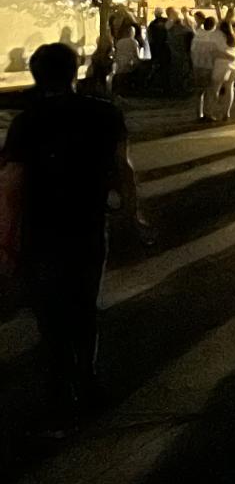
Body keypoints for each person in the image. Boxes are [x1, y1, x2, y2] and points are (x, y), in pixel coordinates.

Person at [0, 43, 138, 434]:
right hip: (89, 223)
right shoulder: (105, 113)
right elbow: (122, 167)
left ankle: (59, 391)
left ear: (35, 74)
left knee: (50, 313)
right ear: (74, 71)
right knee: (84, 305)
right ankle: (89, 379)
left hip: (42, 228)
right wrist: (133, 213)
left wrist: (6, 243)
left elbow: (13, 184)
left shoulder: (27, 121)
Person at [189, 15, 221, 121]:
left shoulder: (197, 36)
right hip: (209, 66)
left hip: (197, 66)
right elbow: (215, 53)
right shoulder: (213, 38)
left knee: (198, 92)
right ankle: (208, 113)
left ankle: (198, 113)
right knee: (209, 91)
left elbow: (192, 51)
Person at [147, 9, 171, 95]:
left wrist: (151, 50)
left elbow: (150, 38)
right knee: (166, 68)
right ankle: (166, 86)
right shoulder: (166, 21)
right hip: (165, 48)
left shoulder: (152, 24)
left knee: (157, 67)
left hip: (156, 49)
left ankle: (155, 85)